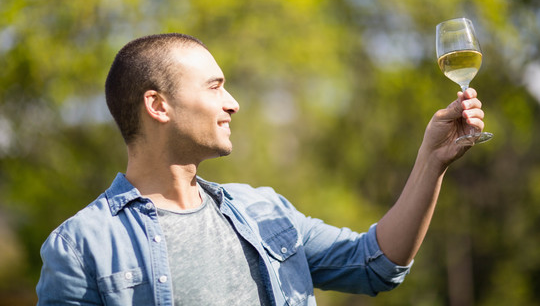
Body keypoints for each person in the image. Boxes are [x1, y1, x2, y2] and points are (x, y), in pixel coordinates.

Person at [36, 33, 487, 305]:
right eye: (215, 87)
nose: (233, 103)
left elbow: (376, 264)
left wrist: (431, 160)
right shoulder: (80, 248)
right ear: (158, 105)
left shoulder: (263, 210)